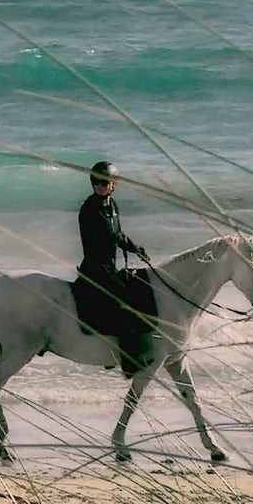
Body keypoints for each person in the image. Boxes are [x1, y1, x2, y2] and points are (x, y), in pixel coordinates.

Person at [73, 160, 155, 375]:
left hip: (109, 266)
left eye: (105, 182)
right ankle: (129, 364)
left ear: (114, 184)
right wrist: (127, 244)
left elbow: (119, 234)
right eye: (97, 182)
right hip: (95, 270)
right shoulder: (90, 209)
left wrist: (136, 248)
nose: (101, 185)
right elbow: (111, 236)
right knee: (127, 306)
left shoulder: (113, 206)